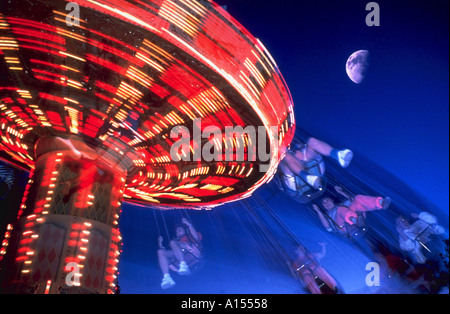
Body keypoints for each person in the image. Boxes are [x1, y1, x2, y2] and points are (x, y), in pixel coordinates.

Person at [279, 137, 353, 190]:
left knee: (312, 141)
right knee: (287, 157)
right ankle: (307, 177)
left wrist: (297, 151)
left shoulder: (291, 145)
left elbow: (302, 146)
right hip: (297, 182)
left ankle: (338, 154)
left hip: (314, 169)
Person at [157, 218, 202, 289]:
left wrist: (188, 224)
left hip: (192, 252)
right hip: (180, 255)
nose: (178, 232)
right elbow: (168, 254)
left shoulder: (190, 236)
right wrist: (160, 244)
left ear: (185, 230)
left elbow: (196, 236)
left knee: (173, 242)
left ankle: (183, 264)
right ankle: (167, 277)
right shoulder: (176, 242)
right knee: (160, 252)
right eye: (177, 231)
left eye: (180, 230)